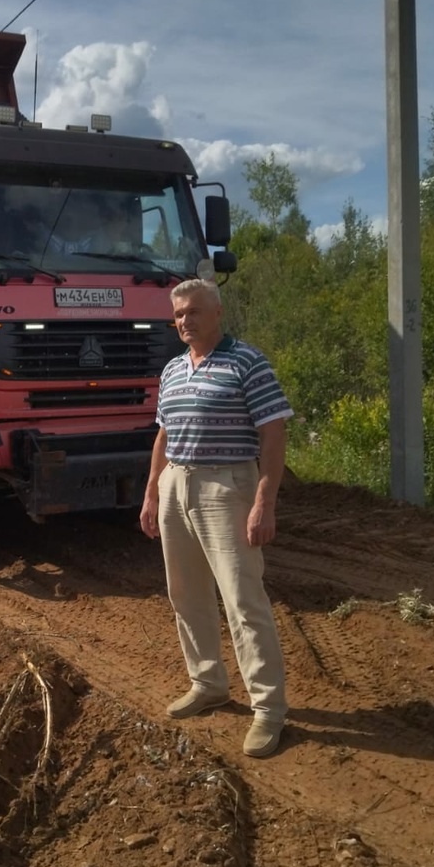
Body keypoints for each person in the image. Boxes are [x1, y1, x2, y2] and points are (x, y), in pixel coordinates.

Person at [138, 277, 292, 758]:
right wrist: (150, 494)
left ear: (217, 311)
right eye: (179, 314)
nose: (185, 321)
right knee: (185, 593)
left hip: (228, 487)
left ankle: (268, 708)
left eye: (194, 311)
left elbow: (273, 433)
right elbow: (163, 437)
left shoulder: (248, 362)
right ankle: (208, 682)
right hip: (176, 484)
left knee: (242, 597)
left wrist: (265, 499)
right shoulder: (172, 370)